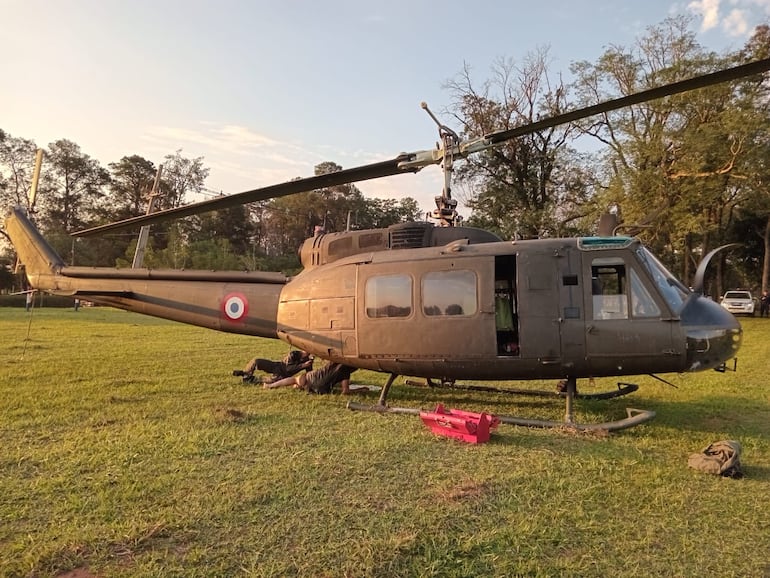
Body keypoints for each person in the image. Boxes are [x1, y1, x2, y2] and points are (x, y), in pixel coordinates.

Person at [264, 360, 362, 394]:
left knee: (295, 379)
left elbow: (345, 391)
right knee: (298, 381)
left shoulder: (338, 362)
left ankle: (270, 386)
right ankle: (299, 386)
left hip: (312, 379)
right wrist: (360, 389)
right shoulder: (345, 372)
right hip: (322, 389)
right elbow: (346, 391)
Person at [233, 349, 313, 384]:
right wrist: (303, 365)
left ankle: (252, 380)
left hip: (282, 375)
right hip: (278, 366)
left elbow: (309, 373)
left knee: (269, 382)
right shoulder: (294, 354)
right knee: (256, 361)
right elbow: (288, 368)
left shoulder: (307, 360)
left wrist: (308, 366)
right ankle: (246, 374)